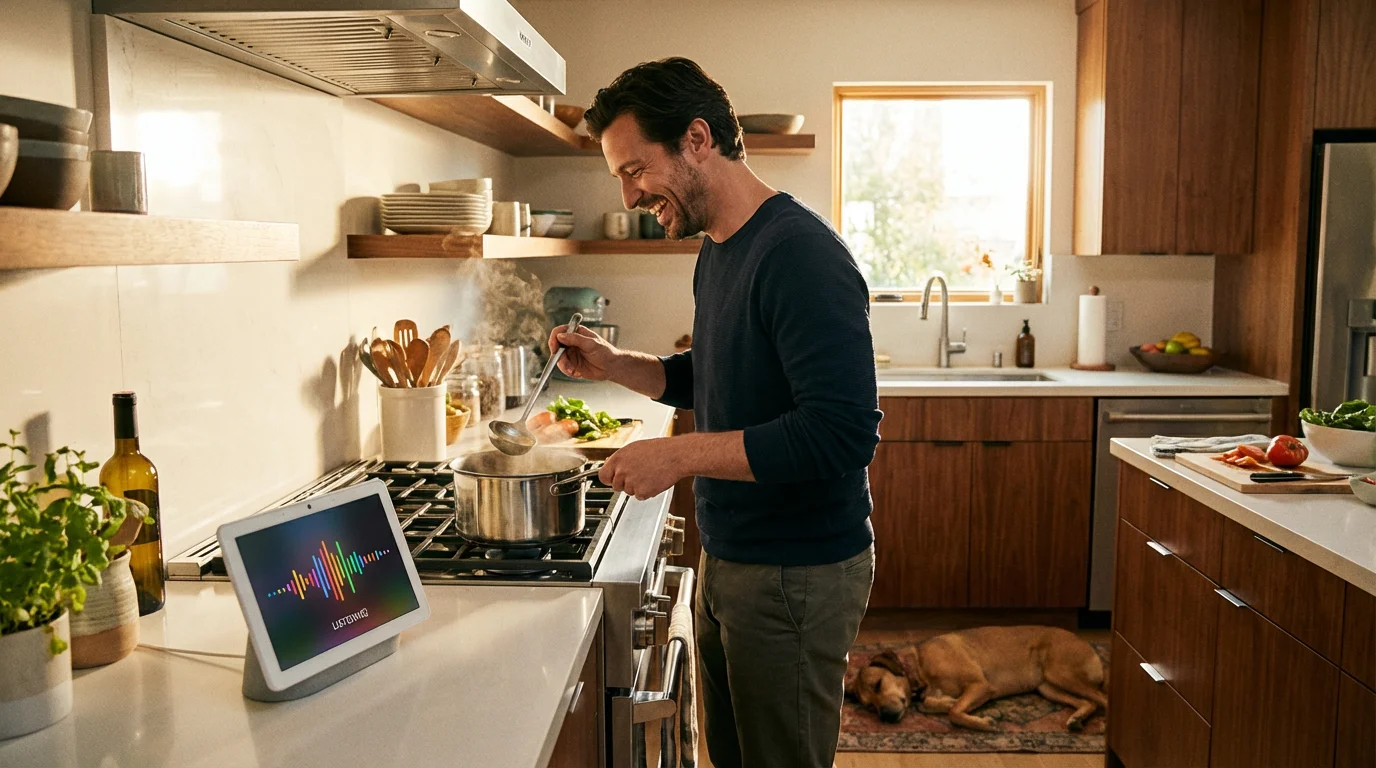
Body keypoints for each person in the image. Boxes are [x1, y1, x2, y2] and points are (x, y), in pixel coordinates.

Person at [550, 57, 881, 768]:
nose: (632, 193)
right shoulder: (723, 248)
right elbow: (719, 375)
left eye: (636, 169)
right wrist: (617, 364)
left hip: (795, 572)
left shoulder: (800, 255)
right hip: (736, 555)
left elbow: (841, 433)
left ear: (697, 138)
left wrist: (678, 456)